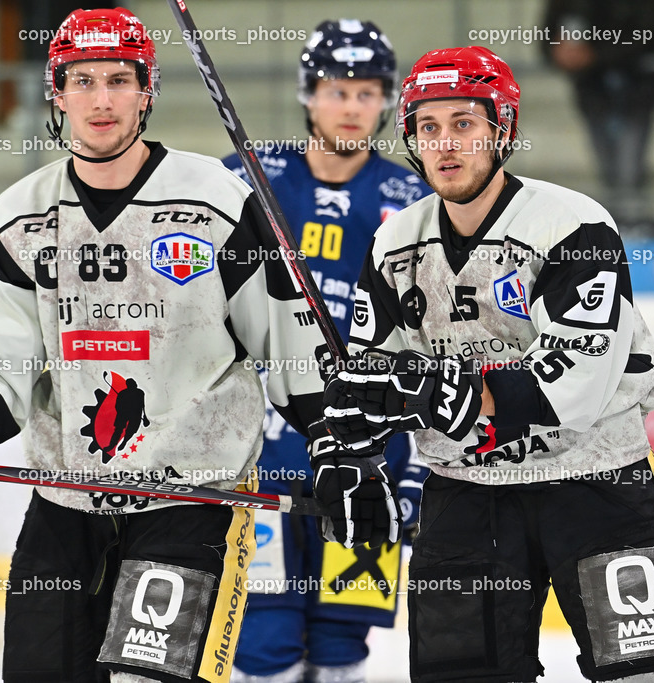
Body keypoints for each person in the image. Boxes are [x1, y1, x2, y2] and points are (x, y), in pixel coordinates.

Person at [0, 8, 396, 683]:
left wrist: (342, 445)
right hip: (64, 507)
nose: (101, 99)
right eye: (82, 80)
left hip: (192, 505)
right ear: (56, 93)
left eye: (119, 79)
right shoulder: (21, 215)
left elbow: (292, 344)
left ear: (148, 90)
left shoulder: (217, 202)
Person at [321, 46, 654, 682]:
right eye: (428, 127)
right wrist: (350, 453)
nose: (445, 144)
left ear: (501, 130)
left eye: (464, 124)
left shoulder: (574, 225)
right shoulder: (394, 242)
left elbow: (575, 384)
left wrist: (447, 394)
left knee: (651, 675)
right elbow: (372, 376)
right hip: (465, 496)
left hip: (595, 483)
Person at [221, 19, 430, 683]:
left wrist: (420, 464)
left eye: (368, 93)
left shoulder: (415, 201)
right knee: (264, 640)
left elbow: (438, 338)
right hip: (264, 455)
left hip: (374, 461)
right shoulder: (246, 182)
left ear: (387, 101)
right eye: (338, 90)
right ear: (309, 94)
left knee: (343, 645)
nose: (352, 107)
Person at [541, 1, 654, 198]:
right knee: (608, 171)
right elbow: (547, 37)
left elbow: (648, 34)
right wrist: (559, 51)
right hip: (592, 92)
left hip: (636, 87)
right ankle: (614, 224)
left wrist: (594, 56)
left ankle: (630, 222)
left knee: (629, 171)